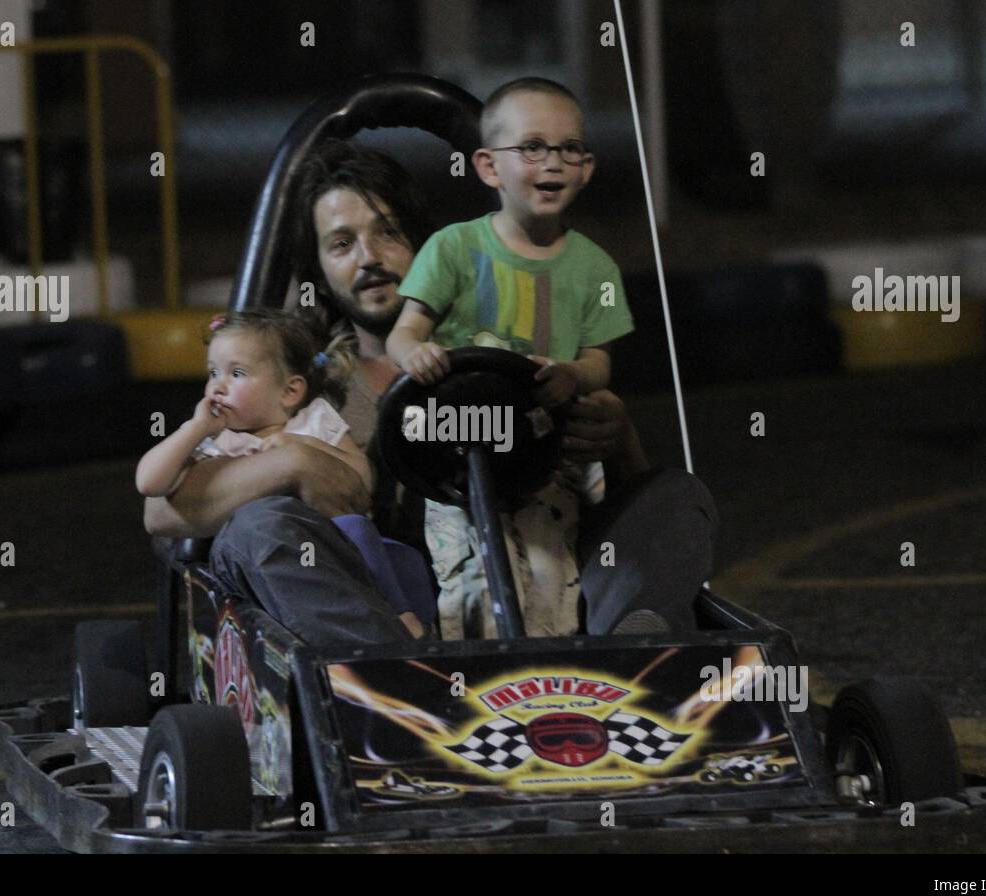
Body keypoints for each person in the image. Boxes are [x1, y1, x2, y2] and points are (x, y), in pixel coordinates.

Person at [143, 138, 717, 646]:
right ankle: (386, 667)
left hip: (543, 585)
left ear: (430, 246)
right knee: (259, 527)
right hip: (391, 607)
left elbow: (610, 505)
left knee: (675, 493)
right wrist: (294, 462)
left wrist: (618, 439)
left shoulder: (503, 358)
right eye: (342, 244)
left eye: (388, 233)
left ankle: (639, 653)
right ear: (319, 270)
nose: (369, 258)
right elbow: (161, 510)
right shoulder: (304, 391)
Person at [387, 77, 635, 639]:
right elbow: (405, 334)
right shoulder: (454, 248)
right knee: (473, 583)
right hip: (458, 455)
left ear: (587, 166)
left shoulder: (594, 268)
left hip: (543, 456)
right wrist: (418, 354)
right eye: (532, 148)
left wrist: (573, 374)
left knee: (551, 581)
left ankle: (545, 694)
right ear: (488, 167)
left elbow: (600, 362)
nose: (552, 163)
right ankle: (468, 697)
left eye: (568, 149)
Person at [136, 308, 424, 639]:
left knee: (380, 543)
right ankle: (384, 642)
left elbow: (360, 477)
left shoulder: (311, 421)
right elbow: (150, 483)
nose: (218, 386)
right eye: (213, 372)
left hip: (336, 543)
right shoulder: (218, 439)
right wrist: (196, 427)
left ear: (290, 391)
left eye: (237, 373)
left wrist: (298, 446)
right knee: (269, 531)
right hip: (261, 563)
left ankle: (399, 615)